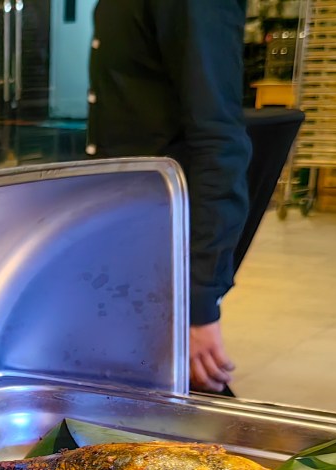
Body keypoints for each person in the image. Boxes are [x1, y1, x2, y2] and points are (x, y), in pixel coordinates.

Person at [87, 0, 252, 394]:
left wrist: (198, 306)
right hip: (122, 236)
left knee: (181, 408)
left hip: (161, 248)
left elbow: (219, 144)